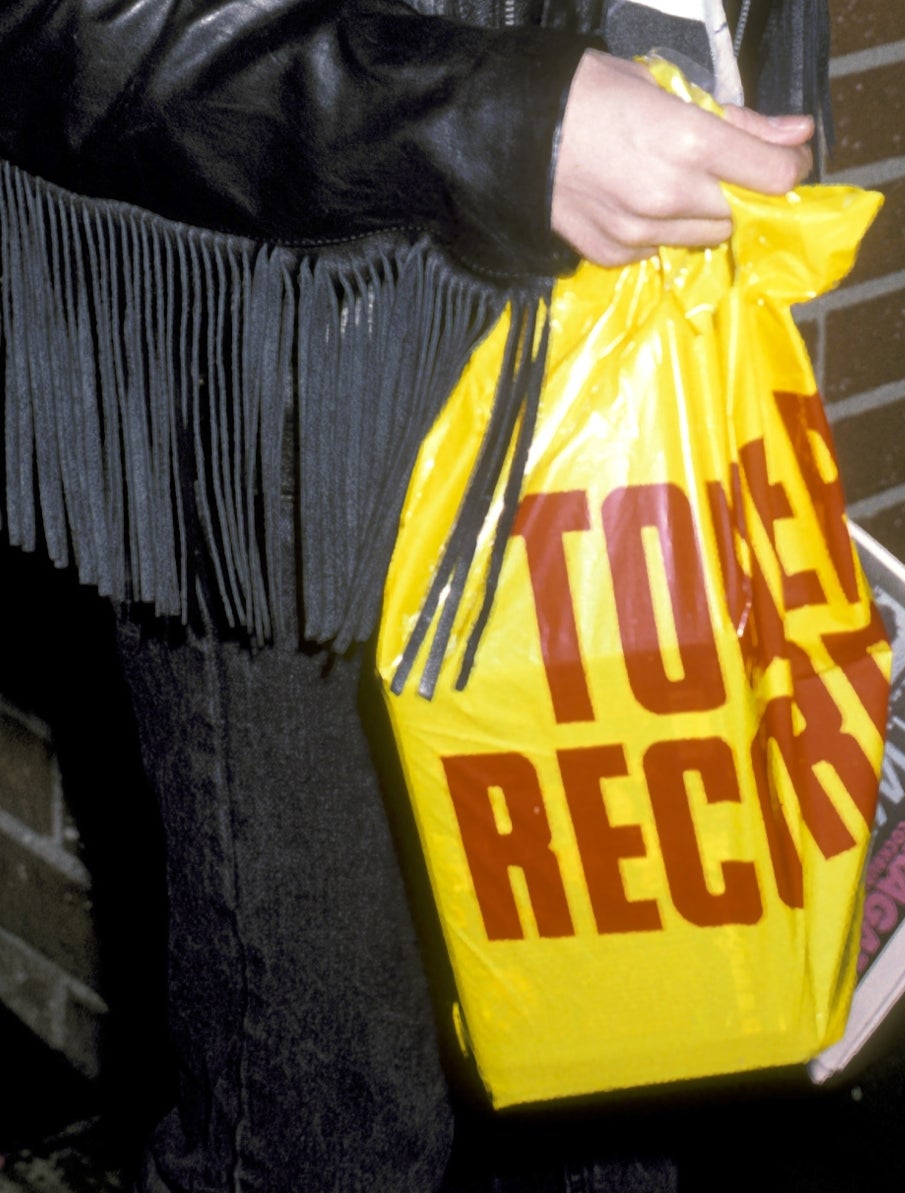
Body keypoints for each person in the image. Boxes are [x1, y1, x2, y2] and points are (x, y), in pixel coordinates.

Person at [1, 2, 833, 1189]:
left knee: (624, 1070)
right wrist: (493, 119)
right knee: (328, 1120)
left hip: (631, 339)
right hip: (297, 388)